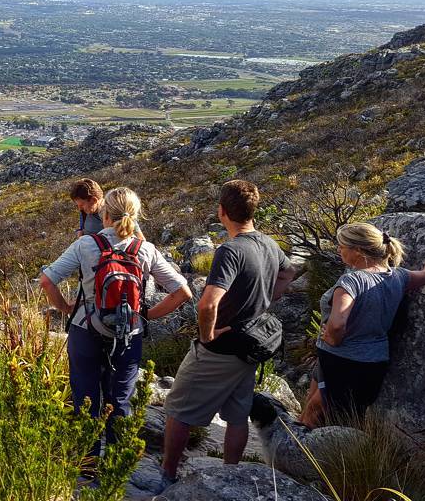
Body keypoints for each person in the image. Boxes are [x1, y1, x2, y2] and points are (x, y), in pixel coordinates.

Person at [159, 180, 296, 487]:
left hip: (221, 347)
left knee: (179, 408)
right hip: (251, 343)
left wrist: (207, 336)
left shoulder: (231, 251)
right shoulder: (268, 243)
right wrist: (268, 298)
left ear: (222, 212)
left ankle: (167, 474)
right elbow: (289, 272)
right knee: (237, 413)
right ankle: (230, 472)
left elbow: (208, 304)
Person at [41, 186, 192, 458]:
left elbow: (47, 280)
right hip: (127, 335)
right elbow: (182, 292)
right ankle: (114, 467)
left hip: (85, 330)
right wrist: (146, 315)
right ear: (135, 216)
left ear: (105, 215)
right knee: (120, 400)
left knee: (85, 398)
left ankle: (88, 468)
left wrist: (64, 307)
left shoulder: (86, 245)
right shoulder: (145, 249)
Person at [299, 221, 425, 428]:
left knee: (320, 416)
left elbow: (337, 325)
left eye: (342, 246)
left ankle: (306, 455)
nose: (339, 250)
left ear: (358, 251)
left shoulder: (351, 282)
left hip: (341, 360)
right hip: (373, 360)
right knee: (324, 408)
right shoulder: (397, 276)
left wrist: (331, 339)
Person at [71, 178, 143, 240]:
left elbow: (140, 239)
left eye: (82, 205)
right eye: (78, 205)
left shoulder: (118, 212)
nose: (80, 208)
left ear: (94, 200)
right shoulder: (85, 212)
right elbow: (82, 228)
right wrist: (80, 233)